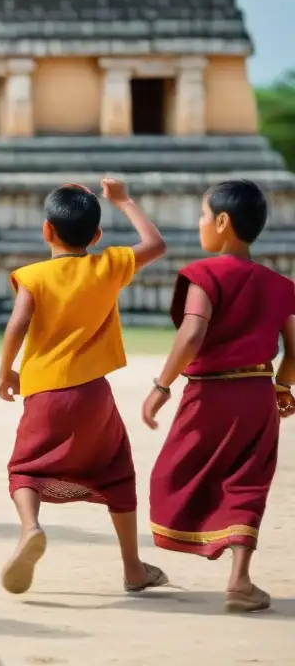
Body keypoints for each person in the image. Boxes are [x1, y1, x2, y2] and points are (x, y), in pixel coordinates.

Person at [0, 178, 169, 595]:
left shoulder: (32, 276)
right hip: (94, 394)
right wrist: (124, 201)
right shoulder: (107, 265)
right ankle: (132, 568)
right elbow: (156, 244)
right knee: (116, 473)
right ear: (96, 236)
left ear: (46, 230)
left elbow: (17, 324)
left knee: (25, 470)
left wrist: (5, 371)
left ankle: (30, 527)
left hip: (43, 393)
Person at [143, 179, 295, 613]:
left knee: (173, 473)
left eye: (202, 215)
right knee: (248, 482)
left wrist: (161, 386)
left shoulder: (204, 274)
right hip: (257, 395)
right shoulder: (279, 284)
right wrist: (282, 387)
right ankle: (240, 579)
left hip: (208, 395)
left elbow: (192, 334)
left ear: (223, 222)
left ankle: (209, 554)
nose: (200, 223)